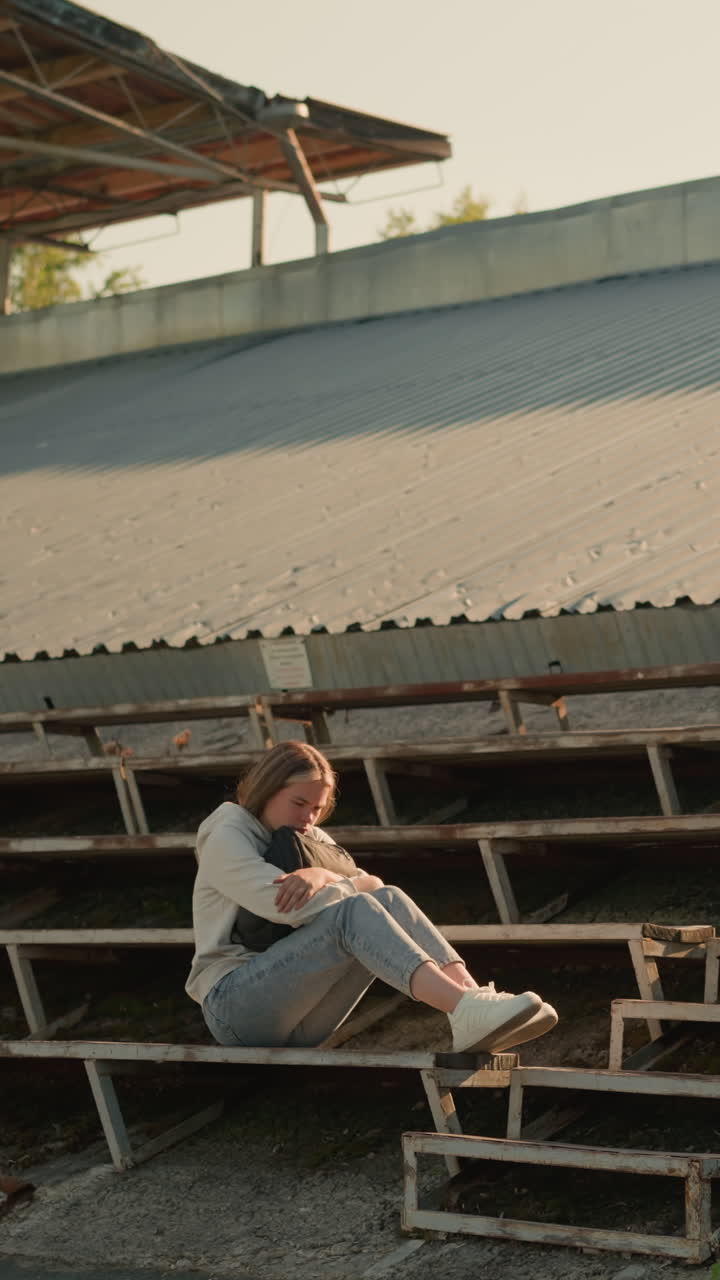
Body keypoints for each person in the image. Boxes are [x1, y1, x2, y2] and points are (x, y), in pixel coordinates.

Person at [186, 741, 558, 1054]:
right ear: (265, 791)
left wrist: (323, 874)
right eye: (298, 804)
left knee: (390, 899)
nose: (308, 818)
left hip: (304, 1016)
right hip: (235, 1007)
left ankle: (471, 1001)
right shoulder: (227, 832)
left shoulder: (307, 837)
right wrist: (342, 884)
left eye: (317, 809)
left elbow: (377, 886)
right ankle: (464, 1008)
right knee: (356, 910)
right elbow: (280, 904)